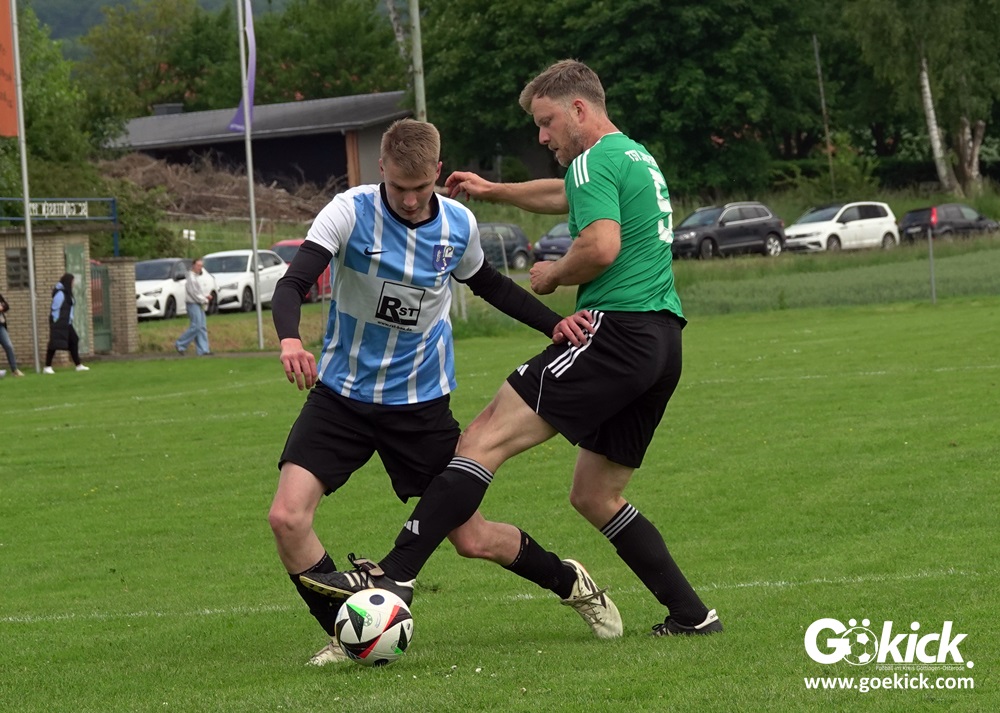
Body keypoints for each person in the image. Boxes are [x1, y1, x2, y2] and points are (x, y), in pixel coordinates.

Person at [302, 60, 723, 637]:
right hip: (663, 342)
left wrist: (553, 275)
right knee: (595, 495)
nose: (542, 137)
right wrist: (495, 191)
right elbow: (565, 195)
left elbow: (600, 245)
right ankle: (692, 615)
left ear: (579, 109)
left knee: (481, 438)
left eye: (546, 123)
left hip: (614, 332)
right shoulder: (632, 156)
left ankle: (396, 574)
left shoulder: (591, 160)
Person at [269, 118, 622, 667]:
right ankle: (351, 635)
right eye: (398, 187)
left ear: (437, 171)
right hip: (341, 398)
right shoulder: (349, 211)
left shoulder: (458, 223)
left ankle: (570, 581)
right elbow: (294, 282)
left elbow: (490, 285)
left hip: (420, 406)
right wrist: (291, 339)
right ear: (381, 169)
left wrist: (553, 323)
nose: (410, 200)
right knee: (287, 518)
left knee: (472, 539)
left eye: (421, 187)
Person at [43, 273, 89, 374]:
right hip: (59, 323)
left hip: (67, 323)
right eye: (72, 281)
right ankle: (47, 366)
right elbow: (55, 308)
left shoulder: (67, 293)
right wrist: (56, 321)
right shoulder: (60, 294)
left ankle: (78, 365)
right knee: (54, 344)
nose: (73, 283)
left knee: (74, 340)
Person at [174, 258, 212, 356]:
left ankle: (203, 350)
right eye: (198, 265)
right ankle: (180, 344)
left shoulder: (196, 277)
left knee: (202, 326)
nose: (200, 268)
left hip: (198, 303)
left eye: (201, 266)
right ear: (193, 265)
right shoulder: (191, 277)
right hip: (192, 304)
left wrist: (205, 296)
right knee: (196, 326)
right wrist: (204, 300)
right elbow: (193, 292)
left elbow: (198, 291)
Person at [0, 291, 25, 378]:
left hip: (0, 326)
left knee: (8, 346)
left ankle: (14, 370)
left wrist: (2, 307)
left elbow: (6, 306)